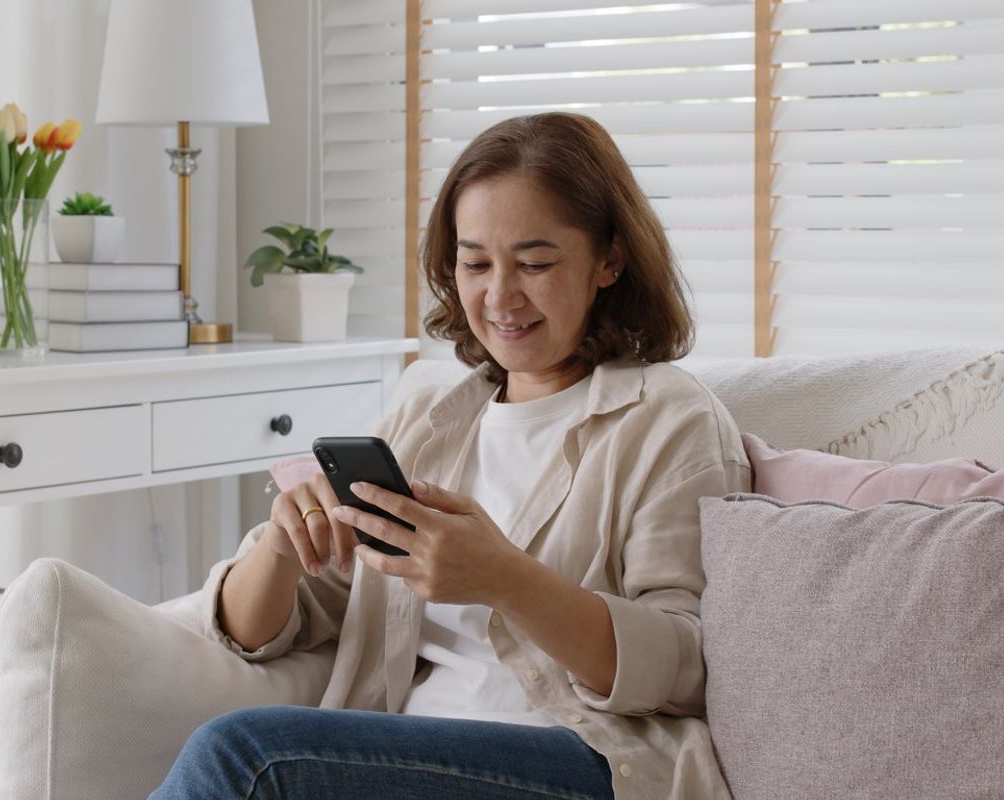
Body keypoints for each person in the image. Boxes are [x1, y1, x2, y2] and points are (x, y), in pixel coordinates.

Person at [151, 112, 750, 800]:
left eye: (535, 263)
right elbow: (253, 629)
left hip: (590, 765)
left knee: (246, 756)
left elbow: (687, 667)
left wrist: (507, 581)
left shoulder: (670, 420)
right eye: (475, 263)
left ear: (608, 260)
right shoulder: (428, 421)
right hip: (409, 762)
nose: (499, 296)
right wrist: (283, 548)